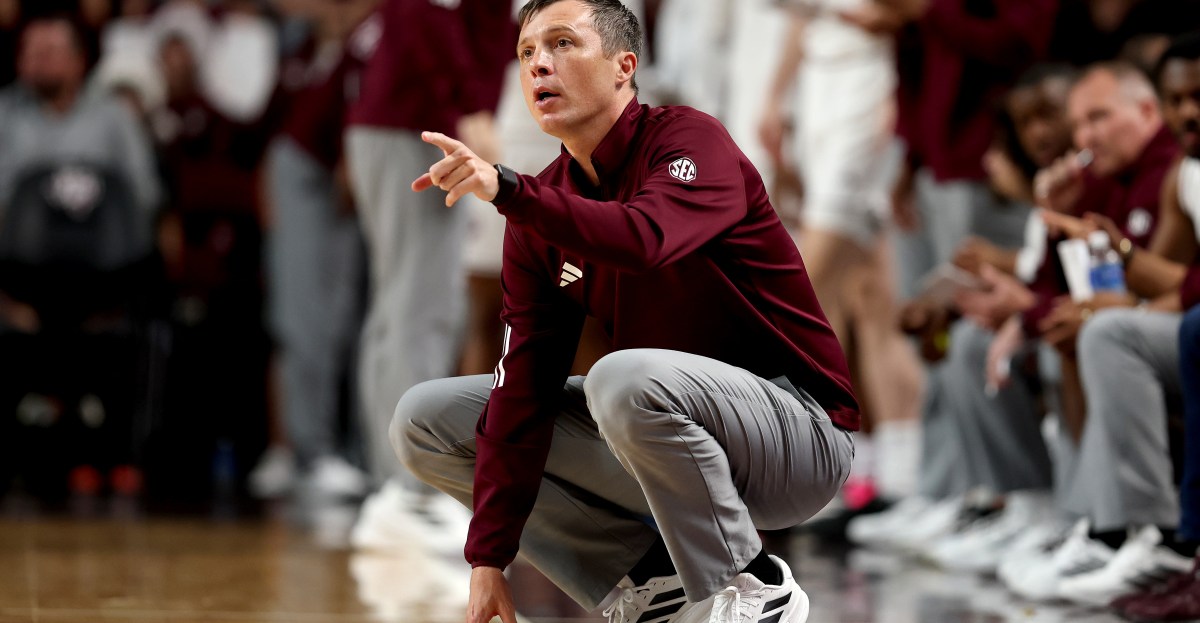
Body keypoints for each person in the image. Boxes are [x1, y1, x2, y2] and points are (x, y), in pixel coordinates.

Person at [394, 1, 859, 622]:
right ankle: (649, 583)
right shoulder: (541, 210)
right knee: (425, 420)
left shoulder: (691, 139)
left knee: (622, 378)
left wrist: (509, 189)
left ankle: (752, 584)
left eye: (562, 44)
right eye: (527, 52)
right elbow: (523, 392)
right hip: (674, 437)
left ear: (624, 66)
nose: (539, 65)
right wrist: (487, 560)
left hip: (798, 436)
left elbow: (645, 239)